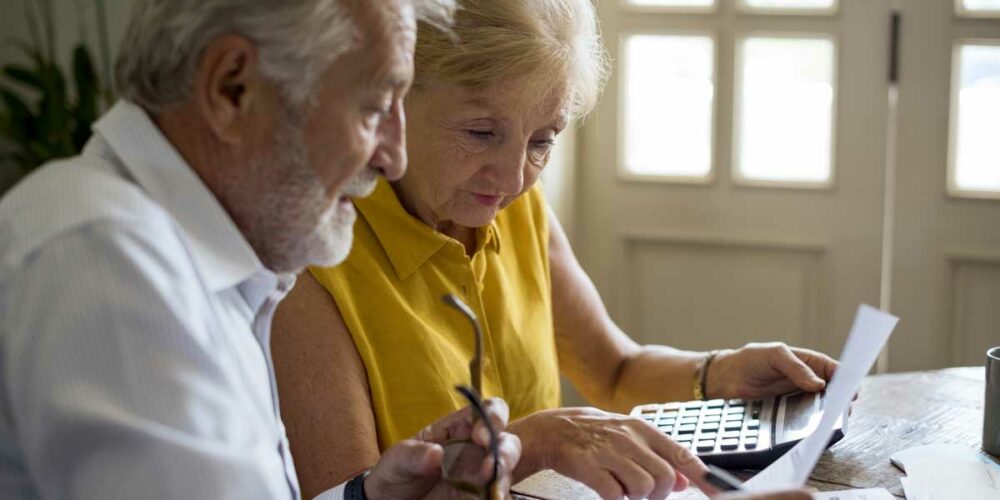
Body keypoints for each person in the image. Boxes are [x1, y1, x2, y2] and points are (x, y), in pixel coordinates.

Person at [271, 0, 838, 499]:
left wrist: (720, 373)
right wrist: (529, 444)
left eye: (543, 140)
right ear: (393, 99)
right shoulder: (314, 257)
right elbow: (351, 494)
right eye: (480, 133)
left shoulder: (513, 206)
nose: (515, 177)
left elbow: (614, 371)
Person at [0, 1, 522, 499]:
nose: (394, 157)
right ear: (232, 89)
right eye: (374, 109)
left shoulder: (191, 259)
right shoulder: (110, 262)